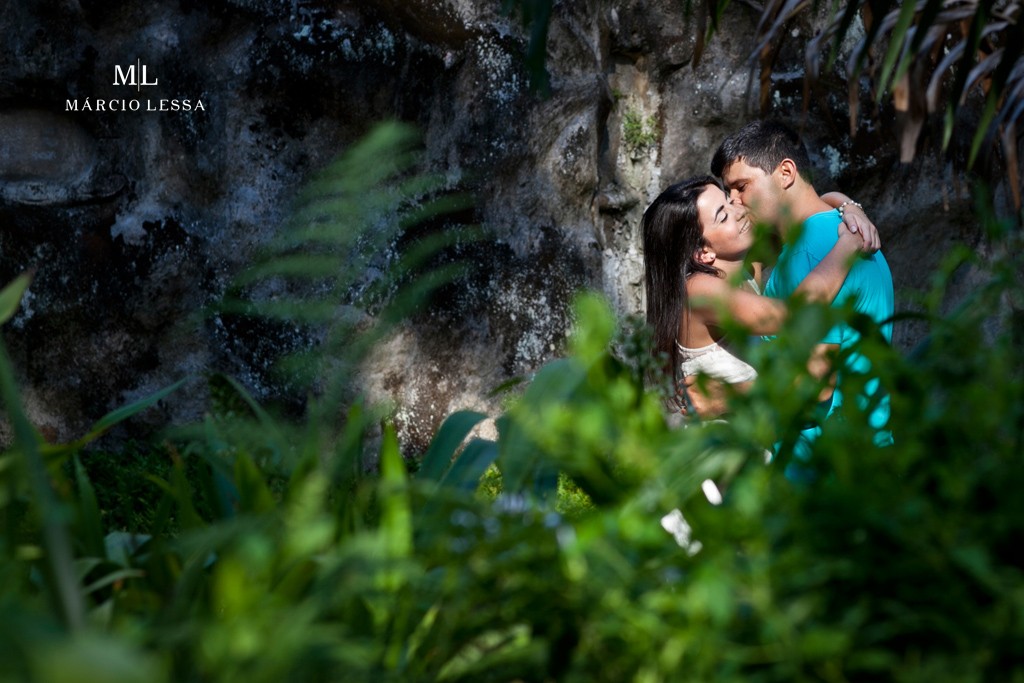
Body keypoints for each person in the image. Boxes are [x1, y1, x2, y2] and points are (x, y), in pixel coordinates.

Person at [693, 119, 894, 454]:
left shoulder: (808, 254)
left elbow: (812, 385)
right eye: (728, 193)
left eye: (741, 186)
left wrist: (724, 396)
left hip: (821, 467)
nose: (735, 202)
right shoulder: (846, 232)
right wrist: (845, 203)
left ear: (785, 173)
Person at [642, 176, 877, 406]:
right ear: (703, 253)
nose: (739, 210)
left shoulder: (744, 268)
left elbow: (805, 210)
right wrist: (849, 243)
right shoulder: (698, 290)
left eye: (729, 200)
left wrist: (849, 208)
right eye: (723, 216)